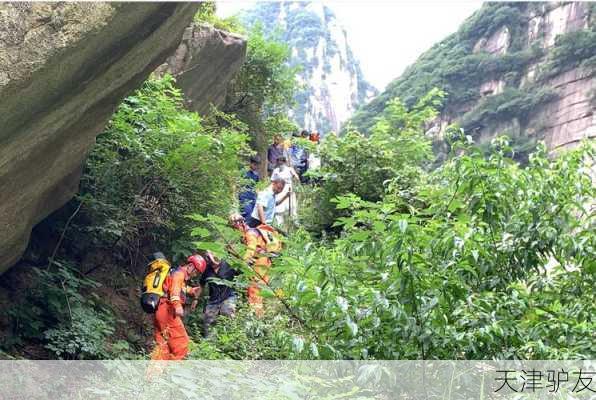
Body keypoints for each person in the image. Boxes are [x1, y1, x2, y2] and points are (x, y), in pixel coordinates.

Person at [151, 255, 206, 360]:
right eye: (196, 271)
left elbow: (179, 287)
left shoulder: (176, 273)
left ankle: (153, 376)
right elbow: (175, 291)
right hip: (167, 311)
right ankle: (173, 372)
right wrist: (177, 306)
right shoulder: (179, 274)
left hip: (160, 311)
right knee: (183, 345)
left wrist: (192, 290)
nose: (196, 274)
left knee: (163, 348)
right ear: (190, 265)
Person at [229, 213, 273, 318]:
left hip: (260, 263)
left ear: (240, 224)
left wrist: (244, 262)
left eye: (234, 227)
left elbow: (251, 250)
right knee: (261, 290)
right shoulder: (250, 233)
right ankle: (262, 315)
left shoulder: (250, 234)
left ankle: (257, 318)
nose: (235, 230)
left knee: (254, 290)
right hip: (264, 261)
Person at [193, 251, 239, 337]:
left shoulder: (228, 265)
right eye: (210, 260)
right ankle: (209, 343)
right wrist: (195, 299)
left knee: (228, 313)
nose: (212, 263)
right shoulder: (207, 270)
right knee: (208, 321)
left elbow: (241, 273)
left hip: (228, 296)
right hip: (213, 299)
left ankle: (231, 338)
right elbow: (201, 285)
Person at [272, 155, 299, 227]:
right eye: (278, 162)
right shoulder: (276, 171)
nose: (280, 164)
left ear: (284, 162)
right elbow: (272, 181)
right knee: (279, 209)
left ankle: (295, 224)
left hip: (288, 189)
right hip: (279, 190)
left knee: (292, 207)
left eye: (281, 162)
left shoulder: (289, 169)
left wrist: (294, 174)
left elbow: (297, 178)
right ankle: (280, 225)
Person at [238, 155, 260, 220]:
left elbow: (256, 187)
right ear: (250, 163)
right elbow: (237, 184)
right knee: (247, 215)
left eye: (257, 165)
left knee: (254, 216)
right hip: (244, 198)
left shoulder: (256, 175)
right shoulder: (243, 172)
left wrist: (258, 197)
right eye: (255, 164)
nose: (256, 166)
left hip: (253, 198)